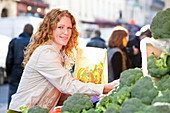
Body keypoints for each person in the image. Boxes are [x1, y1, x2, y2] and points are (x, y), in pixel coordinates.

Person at [7, 8, 119, 112]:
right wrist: (105, 88)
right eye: (60, 27)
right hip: (21, 111)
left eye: (69, 28)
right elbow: (67, 85)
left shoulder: (59, 55)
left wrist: (91, 95)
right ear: (50, 29)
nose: (66, 32)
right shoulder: (46, 52)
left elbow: (62, 92)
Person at [6, 24, 33, 107]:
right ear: (32, 32)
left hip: (15, 70)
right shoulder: (33, 42)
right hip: (28, 71)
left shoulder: (15, 41)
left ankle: (11, 109)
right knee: (25, 92)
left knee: (13, 91)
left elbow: (9, 59)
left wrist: (8, 72)